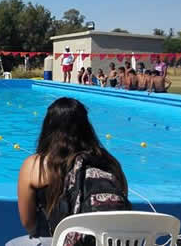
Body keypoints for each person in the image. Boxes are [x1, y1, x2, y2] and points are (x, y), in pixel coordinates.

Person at [7, 98, 128, 246]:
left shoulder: (36, 165)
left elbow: (28, 223)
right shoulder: (109, 162)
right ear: (86, 127)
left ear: (48, 127)